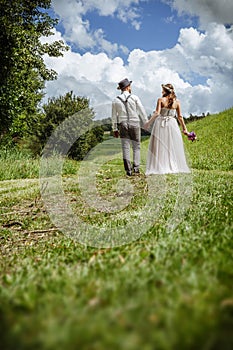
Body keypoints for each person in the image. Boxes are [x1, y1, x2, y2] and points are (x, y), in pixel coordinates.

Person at [144, 83, 190, 175]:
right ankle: (172, 165)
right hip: (172, 124)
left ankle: (161, 166)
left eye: (162, 90)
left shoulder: (160, 100)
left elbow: (157, 113)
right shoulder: (177, 102)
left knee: (160, 145)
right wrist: (185, 129)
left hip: (161, 124)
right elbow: (180, 117)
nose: (161, 92)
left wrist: (148, 123)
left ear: (165, 91)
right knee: (171, 144)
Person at [112, 78, 148, 176]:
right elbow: (142, 111)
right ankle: (136, 168)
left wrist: (114, 128)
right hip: (135, 123)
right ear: (128, 87)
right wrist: (146, 122)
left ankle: (128, 170)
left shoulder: (115, 100)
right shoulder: (135, 97)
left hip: (123, 124)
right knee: (136, 146)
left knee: (125, 147)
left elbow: (114, 116)